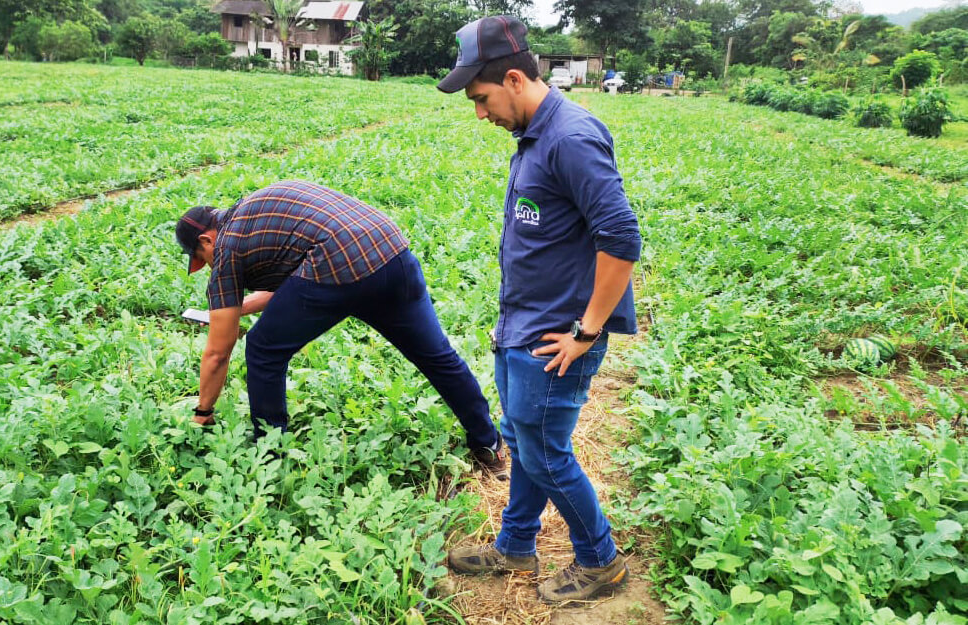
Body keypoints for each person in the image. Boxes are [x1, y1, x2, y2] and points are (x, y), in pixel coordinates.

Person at [437, 16, 642, 604]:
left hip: (557, 333)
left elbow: (621, 238)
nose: (480, 113)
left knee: (546, 451)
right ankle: (516, 544)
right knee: (523, 439)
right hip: (522, 324)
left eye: (481, 98)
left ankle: (600, 563)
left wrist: (587, 330)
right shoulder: (534, 135)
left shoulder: (571, 137)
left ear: (512, 78)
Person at [175, 179, 507, 480]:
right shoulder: (261, 209)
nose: (209, 264)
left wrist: (203, 412)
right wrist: (237, 310)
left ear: (206, 238)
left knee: (263, 349)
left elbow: (218, 351)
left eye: (202, 256)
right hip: (391, 251)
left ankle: (270, 456)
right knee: (436, 356)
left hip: (340, 267)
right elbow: (295, 284)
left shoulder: (228, 247)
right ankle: (488, 444)